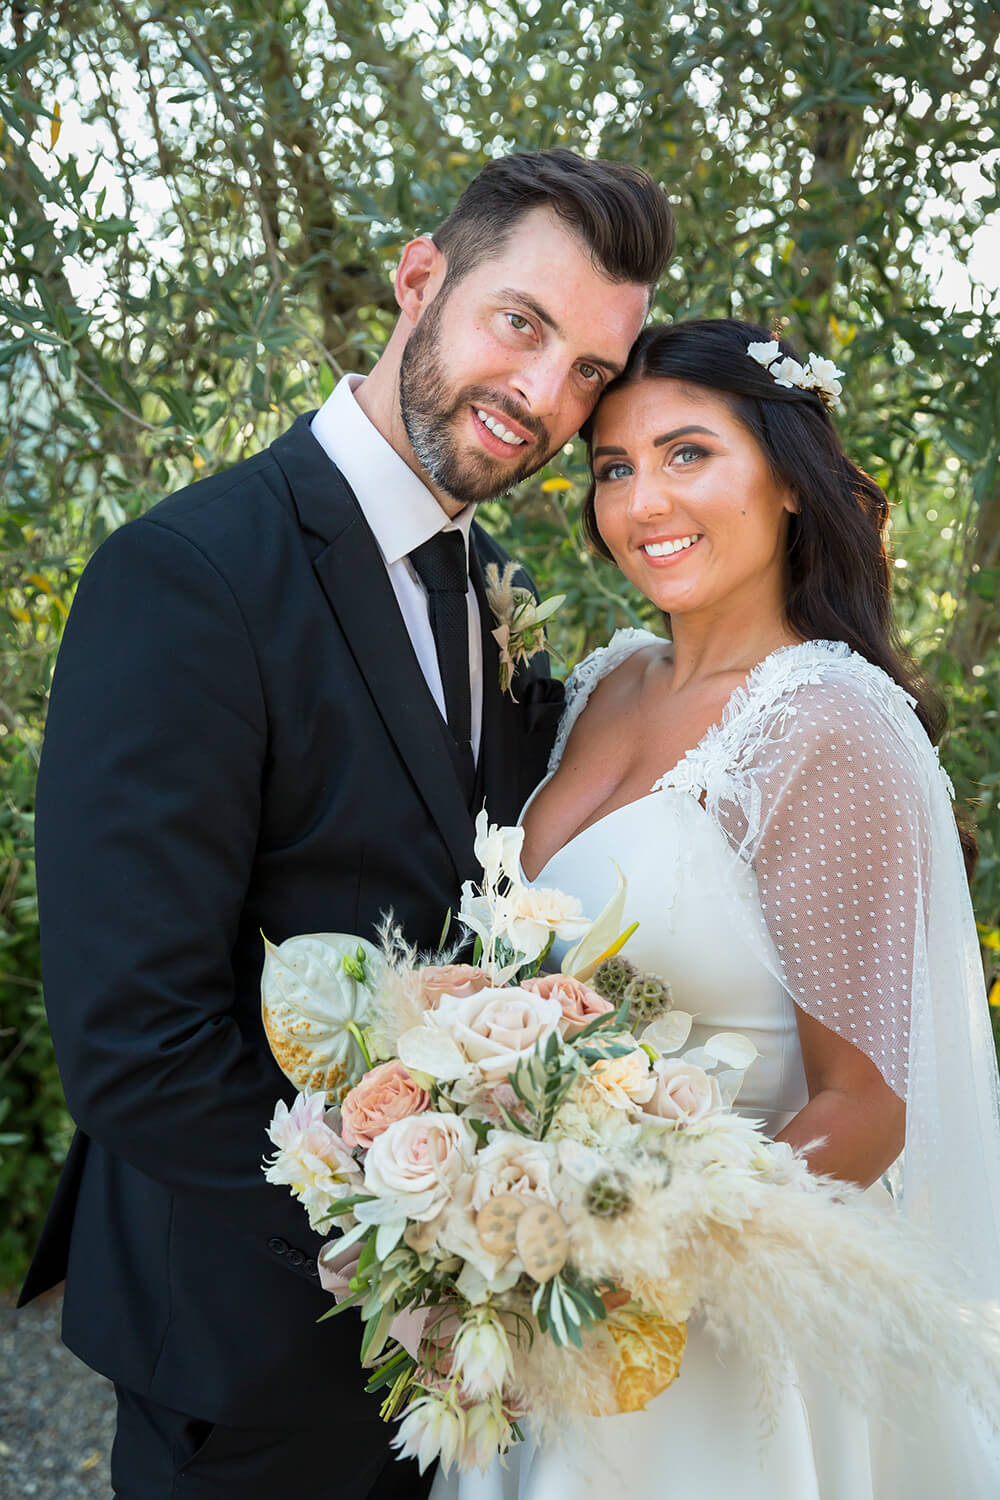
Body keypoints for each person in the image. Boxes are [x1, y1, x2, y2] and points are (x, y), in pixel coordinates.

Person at [18, 149, 675, 1499]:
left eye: (591, 372)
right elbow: (135, 1040)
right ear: (420, 279)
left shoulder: (495, 586)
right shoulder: (188, 578)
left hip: (466, 1371)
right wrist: (435, 1229)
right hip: (250, 1353)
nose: (545, 398)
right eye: (521, 324)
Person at [432, 318, 1000, 1499]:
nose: (644, 502)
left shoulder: (823, 723)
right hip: (547, 1306)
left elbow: (869, 1110)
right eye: (614, 466)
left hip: (707, 1342)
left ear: (788, 479)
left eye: (689, 453)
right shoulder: (605, 679)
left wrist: (623, 1253)